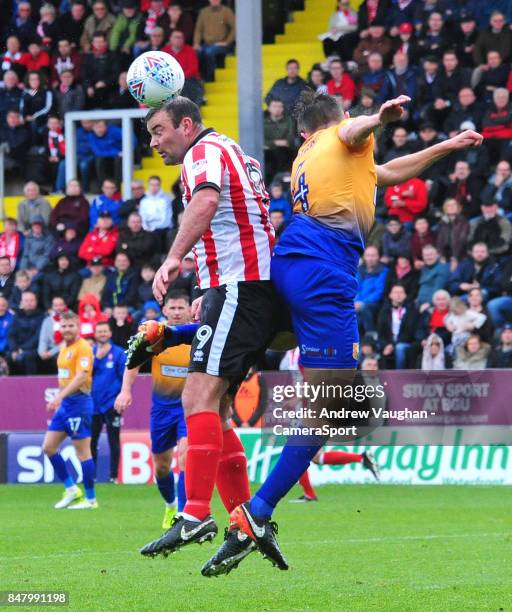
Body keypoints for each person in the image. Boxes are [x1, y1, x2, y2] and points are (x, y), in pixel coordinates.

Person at [216, 91, 482, 572]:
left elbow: (389, 172)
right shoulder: (344, 136)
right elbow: (354, 131)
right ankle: (255, 514)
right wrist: (376, 119)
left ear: (301, 132)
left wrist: (445, 146)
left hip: (292, 259)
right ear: (333, 121)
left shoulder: (307, 156)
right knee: (332, 409)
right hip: (324, 269)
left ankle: (181, 332)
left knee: (286, 356)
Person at [138, 96, 276, 571]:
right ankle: (244, 522)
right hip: (241, 288)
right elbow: (235, 220)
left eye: (159, 131)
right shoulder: (229, 149)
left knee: (195, 397)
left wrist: (175, 257)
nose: (154, 143)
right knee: (216, 410)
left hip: (241, 288)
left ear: (186, 124)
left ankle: (196, 514)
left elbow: (208, 201)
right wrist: (205, 284)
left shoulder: (201, 154)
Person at [115, 291, 190, 529]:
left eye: (181, 308)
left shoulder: (199, 334)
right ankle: (170, 505)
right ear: (164, 311)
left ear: (189, 309)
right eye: (173, 308)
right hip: (162, 410)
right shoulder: (155, 335)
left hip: (189, 407)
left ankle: (183, 514)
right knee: (161, 465)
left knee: (186, 457)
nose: (177, 312)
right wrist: (126, 390)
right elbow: (133, 362)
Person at [42, 311, 97, 509]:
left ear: (78, 326)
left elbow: (82, 376)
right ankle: (72, 490)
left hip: (79, 402)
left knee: (83, 453)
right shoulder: (64, 347)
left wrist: (59, 395)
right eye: (63, 326)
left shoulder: (83, 347)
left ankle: (91, 500)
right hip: (66, 405)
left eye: (70, 326)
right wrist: (61, 398)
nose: (67, 329)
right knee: (48, 447)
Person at [90, 321, 125, 483]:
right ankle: (92, 476)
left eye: (105, 331)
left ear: (110, 333)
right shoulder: (90, 353)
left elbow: (124, 377)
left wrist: (120, 397)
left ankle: (113, 476)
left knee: (113, 440)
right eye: (99, 331)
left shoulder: (118, 353)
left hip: (112, 404)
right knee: (91, 441)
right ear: (95, 334)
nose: (102, 334)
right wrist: (96, 359)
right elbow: (85, 375)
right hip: (93, 404)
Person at [193, 0, 235, 82]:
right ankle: (199, 79)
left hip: (221, 44)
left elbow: (235, 27)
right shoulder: (203, 12)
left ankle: (210, 78)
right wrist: (196, 43)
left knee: (209, 52)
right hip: (206, 44)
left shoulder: (226, 11)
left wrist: (227, 42)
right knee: (195, 53)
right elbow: (198, 30)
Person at [8, 290, 44, 375]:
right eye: (26, 301)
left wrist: (22, 349)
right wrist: (14, 349)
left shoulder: (42, 316)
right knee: (8, 357)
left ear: (36, 302)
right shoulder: (17, 316)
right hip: (17, 349)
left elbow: (37, 337)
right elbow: (11, 334)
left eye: (31, 300)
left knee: (28, 356)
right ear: (21, 302)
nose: (29, 303)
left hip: (35, 349)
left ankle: (31, 384)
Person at [263, 99, 295, 184]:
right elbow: (260, 141)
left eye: (279, 106)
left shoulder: (289, 120)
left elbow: (290, 140)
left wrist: (270, 143)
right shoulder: (263, 121)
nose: (277, 109)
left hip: (284, 153)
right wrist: (275, 143)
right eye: (274, 106)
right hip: (267, 153)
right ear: (269, 108)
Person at [38, 295, 67, 374]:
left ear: (65, 306)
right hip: (50, 350)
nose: (58, 308)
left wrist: (51, 352)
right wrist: (42, 352)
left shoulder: (70, 319)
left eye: (61, 305)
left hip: (65, 349)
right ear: (52, 307)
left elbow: (67, 341)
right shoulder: (47, 321)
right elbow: (43, 339)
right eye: (56, 305)